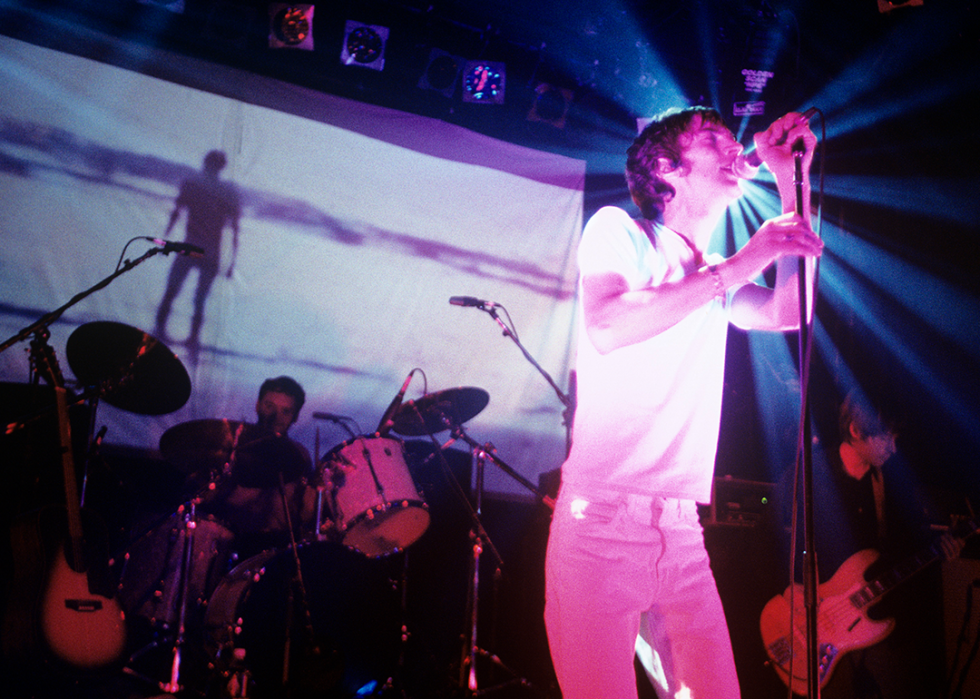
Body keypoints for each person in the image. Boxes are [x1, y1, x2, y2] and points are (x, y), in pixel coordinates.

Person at [544, 105, 823, 699]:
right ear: (668, 169)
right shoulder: (620, 230)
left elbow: (787, 312)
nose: (732, 146)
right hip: (601, 525)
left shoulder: (715, 274)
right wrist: (747, 261)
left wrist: (790, 181)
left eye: (731, 136)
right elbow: (610, 324)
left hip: (682, 532)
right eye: (713, 138)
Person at [772, 391, 965, 699]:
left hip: (873, 625)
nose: (893, 446)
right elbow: (765, 541)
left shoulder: (890, 485)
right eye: (885, 438)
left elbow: (903, 550)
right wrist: (793, 600)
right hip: (814, 628)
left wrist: (940, 550)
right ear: (856, 430)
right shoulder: (808, 476)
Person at [203, 376, 317, 557]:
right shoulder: (233, 443)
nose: (275, 416)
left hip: (278, 554)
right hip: (228, 546)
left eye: (285, 411)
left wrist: (312, 504)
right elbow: (207, 500)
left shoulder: (300, 456)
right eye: (269, 406)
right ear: (257, 405)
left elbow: (304, 517)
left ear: (295, 417)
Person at [154, 149, 241, 353]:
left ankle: (167, 331)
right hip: (208, 251)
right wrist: (232, 263)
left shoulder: (195, 186)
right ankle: (188, 337)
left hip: (193, 246)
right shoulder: (225, 192)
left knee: (177, 291)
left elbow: (176, 213)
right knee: (196, 296)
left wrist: (164, 240)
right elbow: (236, 230)